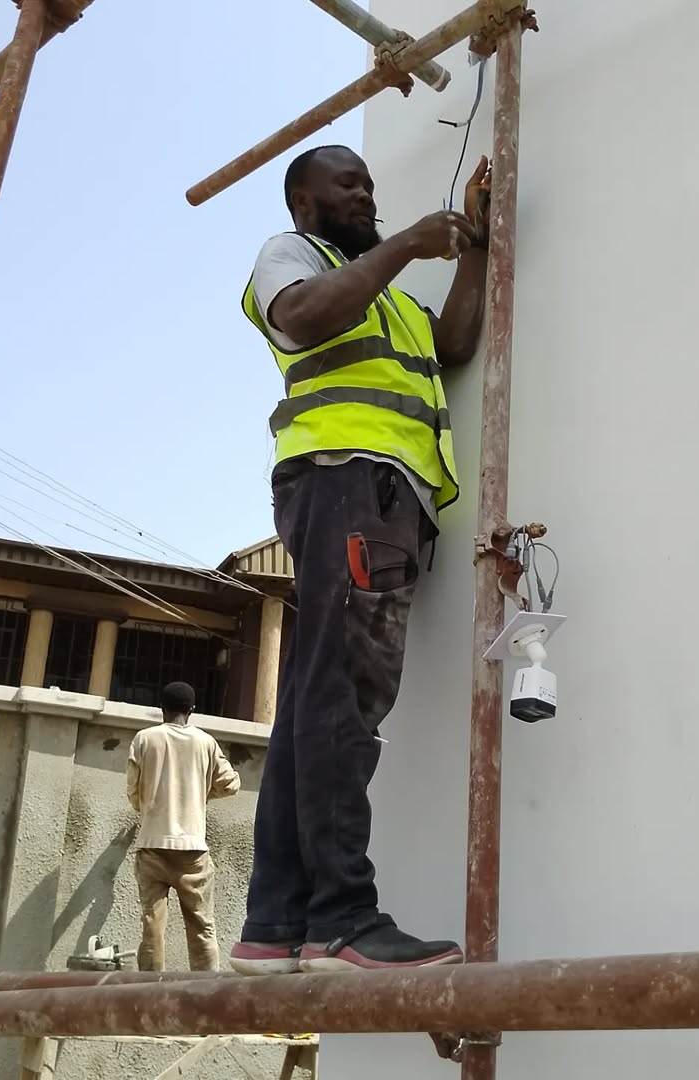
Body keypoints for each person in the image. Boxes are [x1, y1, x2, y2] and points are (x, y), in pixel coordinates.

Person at [230, 145, 490, 975]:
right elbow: (302, 316)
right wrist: (409, 244)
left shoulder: (388, 296)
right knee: (342, 702)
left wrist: (476, 243)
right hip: (349, 481)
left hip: (374, 496)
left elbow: (454, 344)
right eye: (348, 183)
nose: (366, 194)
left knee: (314, 704)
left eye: (370, 184)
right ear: (304, 202)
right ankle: (341, 920)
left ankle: (276, 924)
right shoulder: (293, 256)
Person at [126, 681, 240, 971]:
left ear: (161, 708)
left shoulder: (144, 738)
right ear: (192, 709)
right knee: (202, 925)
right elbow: (231, 784)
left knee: (152, 926)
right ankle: (206, 989)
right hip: (192, 850)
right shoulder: (206, 742)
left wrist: (147, 808)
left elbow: (133, 791)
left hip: (151, 845)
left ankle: (150, 988)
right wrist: (201, 795)